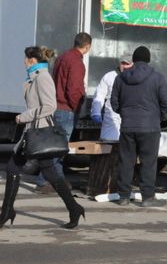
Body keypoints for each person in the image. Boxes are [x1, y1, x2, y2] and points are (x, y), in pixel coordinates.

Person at [1, 46, 84, 229]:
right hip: (34, 131)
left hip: (39, 133)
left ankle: (7, 211)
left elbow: (50, 106)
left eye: (25, 59)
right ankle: (74, 208)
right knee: (48, 171)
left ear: (32, 60)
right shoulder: (35, 77)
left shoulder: (43, 77)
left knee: (13, 167)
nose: (23, 62)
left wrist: (23, 117)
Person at [111, 46, 167, 207]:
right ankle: (147, 197)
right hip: (150, 127)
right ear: (148, 59)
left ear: (134, 60)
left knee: (126, 161)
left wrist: (125, 114)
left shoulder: (121, 78)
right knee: (148, 162)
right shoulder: (157, 78)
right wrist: (158, 116)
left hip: (127, 126)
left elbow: (114, 103)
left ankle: (123, 196)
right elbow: (166, 103)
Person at [40, 32, 92, 193]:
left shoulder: (62, 57)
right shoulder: (76, 62)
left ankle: (48, 179)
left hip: (56, 106)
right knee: (60, 148)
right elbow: (74, 89)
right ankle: (49, 181)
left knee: (53, 147)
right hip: (66, 109)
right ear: (87, 46)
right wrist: (78, 107)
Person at [91, 56, 133, 141]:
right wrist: (96, 112)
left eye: (127, 64)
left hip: (130, 117)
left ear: (132, 64)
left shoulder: (136, 77)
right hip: (111, 117)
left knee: (129, 145)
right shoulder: (109, 76)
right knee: (109, 144)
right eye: (123, 63)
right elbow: (99, 94)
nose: (124, 66)